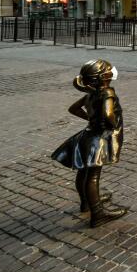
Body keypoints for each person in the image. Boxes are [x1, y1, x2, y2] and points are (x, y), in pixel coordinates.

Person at [51, 60, 128, 227]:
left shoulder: (91, 93)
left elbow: (74, 109)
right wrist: (112, 124)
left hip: (87, 135)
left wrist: (91, 119)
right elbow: (108, 115)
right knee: (92, 176)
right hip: (97, 140)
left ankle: (87, 202)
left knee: (83, 172)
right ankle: (98, 213)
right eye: (108, 69)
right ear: (103, 77)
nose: (112, 70)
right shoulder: (107, 92)